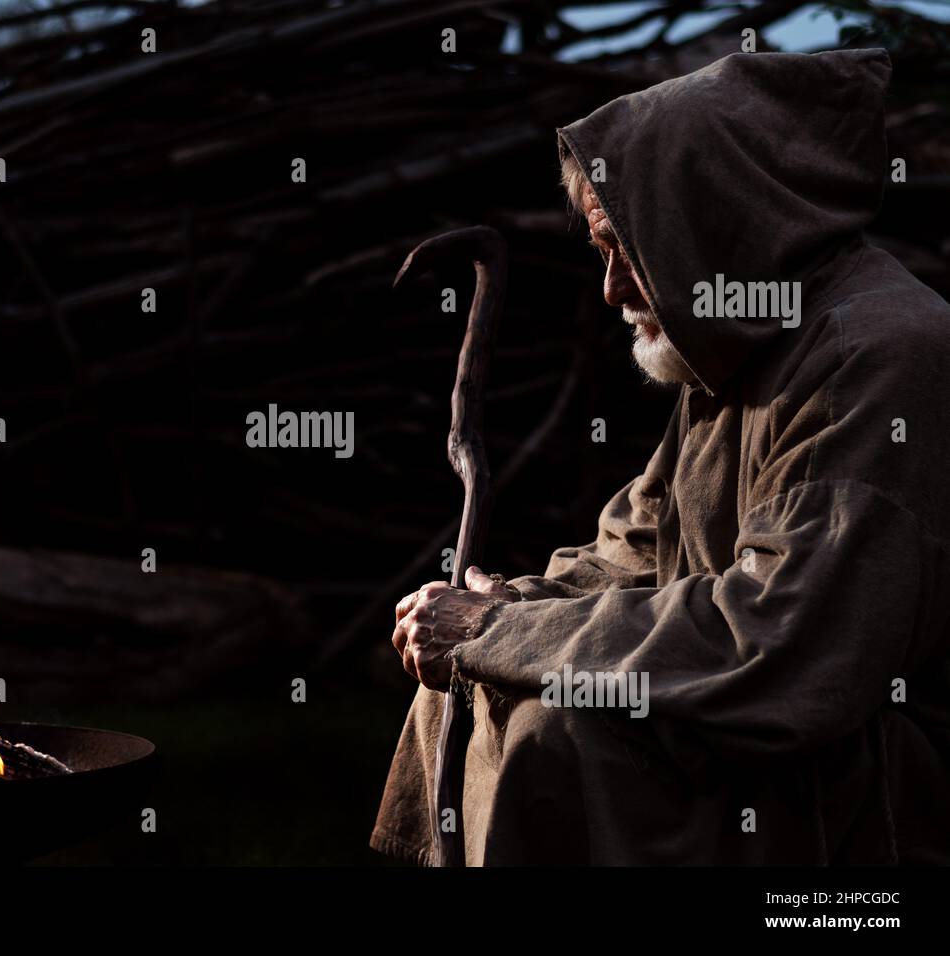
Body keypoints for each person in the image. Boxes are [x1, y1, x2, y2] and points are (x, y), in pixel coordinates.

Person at [373, 48, 950, 865]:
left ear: (713, 217)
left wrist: (506, 631)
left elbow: (782, 642)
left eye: (625, 247)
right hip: (745, 721)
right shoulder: (742, 346)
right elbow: (633, 555)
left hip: (850, 771)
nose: (609, 289)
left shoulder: (882, 354)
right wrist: (505, 607)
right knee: (469, 690)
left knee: (552, 723)